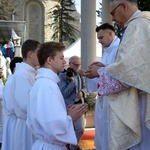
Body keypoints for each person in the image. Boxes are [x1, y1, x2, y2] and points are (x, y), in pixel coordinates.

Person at [85, 0, 150, 149]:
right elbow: (137, 66)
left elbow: (129, 71)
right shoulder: (143, 24)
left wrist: (100, 72)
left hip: (141, 100)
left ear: (124, 6)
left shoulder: (138, 26)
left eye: (113, 13)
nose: (113, 18)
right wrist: (107, 67)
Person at [26, 41, 88, 150]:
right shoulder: (47, 85)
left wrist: (65, 114)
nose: (64, 62)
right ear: (49, 60)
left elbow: (47, 117)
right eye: (61, 58)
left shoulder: (45, 82)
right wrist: (70, 117)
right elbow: (52, 126)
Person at [90, 23, 120, 150]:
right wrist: (92, 73)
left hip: (116, 99)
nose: (99, 41)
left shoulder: (120, 48)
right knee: (103, 130)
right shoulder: (107, 51)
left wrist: (101, 69)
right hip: (105, 97)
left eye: (101, 38)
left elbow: (120, 73)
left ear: (110, 34)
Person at [11, 39, 41, 150]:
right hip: (26, 127)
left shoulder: (30, 73)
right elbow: (25, 104)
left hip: (31, 124)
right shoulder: (21, 75)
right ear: (30, 54)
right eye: (39, 53)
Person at [58, 56, 87, 150]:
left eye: (79, 65)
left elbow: (84, 87)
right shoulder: (62, 76)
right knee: (67, 129)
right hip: (69, 106)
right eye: (75, 65)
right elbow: (64, 93)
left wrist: (82, 93)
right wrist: (72, 84)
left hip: (79, 104)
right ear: (70, 64)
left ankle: (73, 147)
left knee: (81, 129)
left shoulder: (80, 74)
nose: (78, 67)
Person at [2, 57, 23, 150]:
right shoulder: (11, 83)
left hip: (14, 120)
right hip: (14, 121)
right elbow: (12, 107)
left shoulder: (13, 81)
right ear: (16, 68)